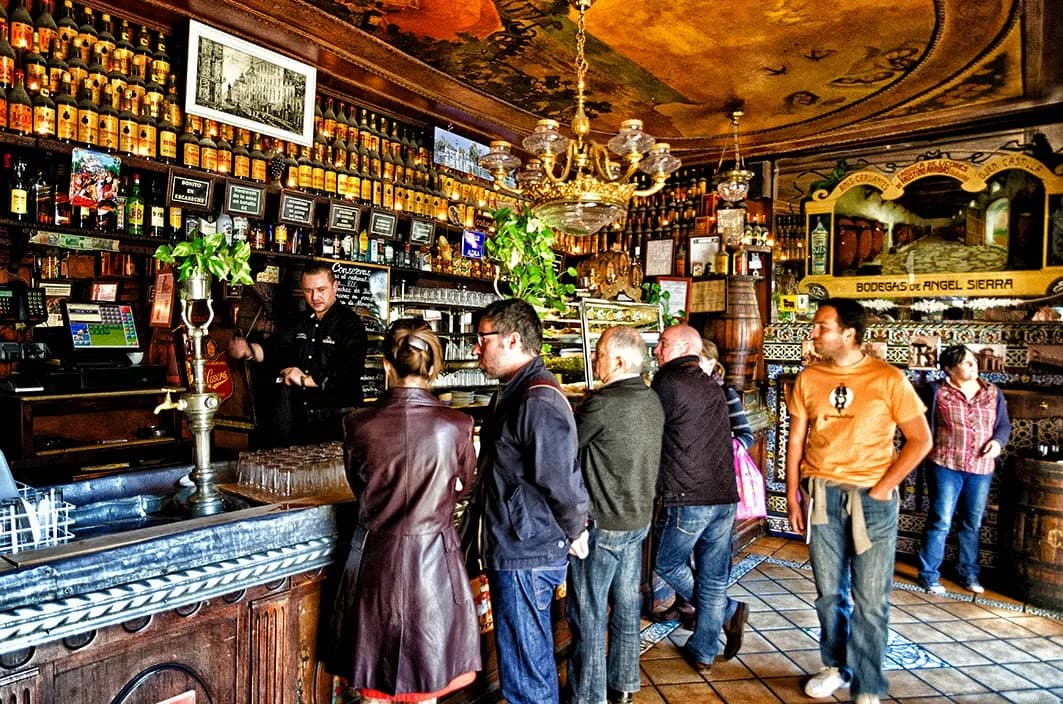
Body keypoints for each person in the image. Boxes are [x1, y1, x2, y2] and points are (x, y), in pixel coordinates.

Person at [786, 298, 932, 704]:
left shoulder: (888, 379)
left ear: (849, 333)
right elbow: (796, 440)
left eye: (821, 327)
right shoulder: (808, 378)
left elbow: (921, 440)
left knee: (871, 598)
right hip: (821, 495)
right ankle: (835, 665)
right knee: (829, 593)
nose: (813, 333)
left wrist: (885, 487)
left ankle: (868, 682)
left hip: (873, 500)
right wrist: (793, 496)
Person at [328, 319, 480, 703]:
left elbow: (358, 486)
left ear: (385, 365)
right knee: (427, 685)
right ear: (434, 365)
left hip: (375, 565)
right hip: (436, 570)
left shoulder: (358, 424)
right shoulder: (458, 425)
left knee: (374, 688)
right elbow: (465, 486)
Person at [472, 298, 591, 704]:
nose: (476, 348)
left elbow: (560, 477)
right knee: (527, 656)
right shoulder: (517, 391)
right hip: (522, 542)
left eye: (482, 339)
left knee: (526, 667)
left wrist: (577, 528)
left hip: (527, 548)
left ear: (512, 340)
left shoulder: (535, 399)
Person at [568, 326, 664, 704]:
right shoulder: (651, 399)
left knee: (588, 614)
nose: (594, 359)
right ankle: (622, 686)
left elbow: (564, 449)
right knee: (626, 607)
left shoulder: (603, 404)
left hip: (603, 525)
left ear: (620, 361)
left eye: (600, 353)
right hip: (638, 521)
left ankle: (588, 697)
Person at [652, 323, 748, 674]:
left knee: (666, 563)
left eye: (663, 344)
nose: (657, 350)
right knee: (712, 575)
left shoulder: (668, 381)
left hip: (688, 494)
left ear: (684, 347)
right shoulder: (712, 384)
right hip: (723, 495)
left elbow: (650, 430)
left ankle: (724, 612)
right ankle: (705, 650)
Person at [228, 263, 367, 446]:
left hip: (338, 422)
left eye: (321, 289)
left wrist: (304, 379)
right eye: (308, 290)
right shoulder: (300, 322)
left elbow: (349, 371)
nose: (314, 297)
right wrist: (248, 350)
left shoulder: (350, 324)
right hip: (302, 421)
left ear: (335, 287)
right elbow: (273, 350)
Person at [917, 344, 1011, 595]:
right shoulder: (936, 392)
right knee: (941, 520)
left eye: (974, 361)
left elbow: (1003, 425)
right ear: (949, 368)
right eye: (967, 363)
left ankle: (968, 573)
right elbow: (919, 424)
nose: (974, 366)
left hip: (981, 467)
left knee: (972, 522)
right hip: (946, 464)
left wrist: (997, 442)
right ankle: (929, 574)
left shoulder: (992, 392)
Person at [700, 338, 754, 450]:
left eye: (698, 362)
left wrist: (721, 449)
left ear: (711, 364)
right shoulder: (682, 392)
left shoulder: (726, 393)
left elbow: (747, 437)